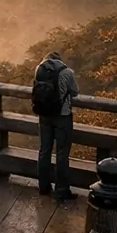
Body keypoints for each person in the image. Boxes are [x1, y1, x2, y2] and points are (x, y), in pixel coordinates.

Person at [32, 51, 80, 201]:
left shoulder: (38, 68)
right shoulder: (67, 72)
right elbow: (75, 92)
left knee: (44, 150)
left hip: (44, 115)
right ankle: (62, 190)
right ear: (60, 60)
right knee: (62, 153)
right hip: (63, 116)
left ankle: (44, 187)